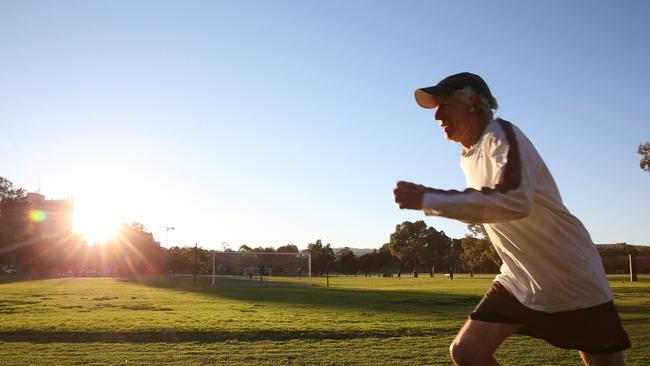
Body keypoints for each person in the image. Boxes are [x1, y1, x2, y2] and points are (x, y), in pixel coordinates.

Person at [393, 72, 630, 366]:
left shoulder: (501, 135)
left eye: (445, 104)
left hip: (569, 276)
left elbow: (515, 200)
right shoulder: (467, 157)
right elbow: (489, 206)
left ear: (474, 103)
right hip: (518, 278)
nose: (437, 115)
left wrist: (429, 198)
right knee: (468, 352)